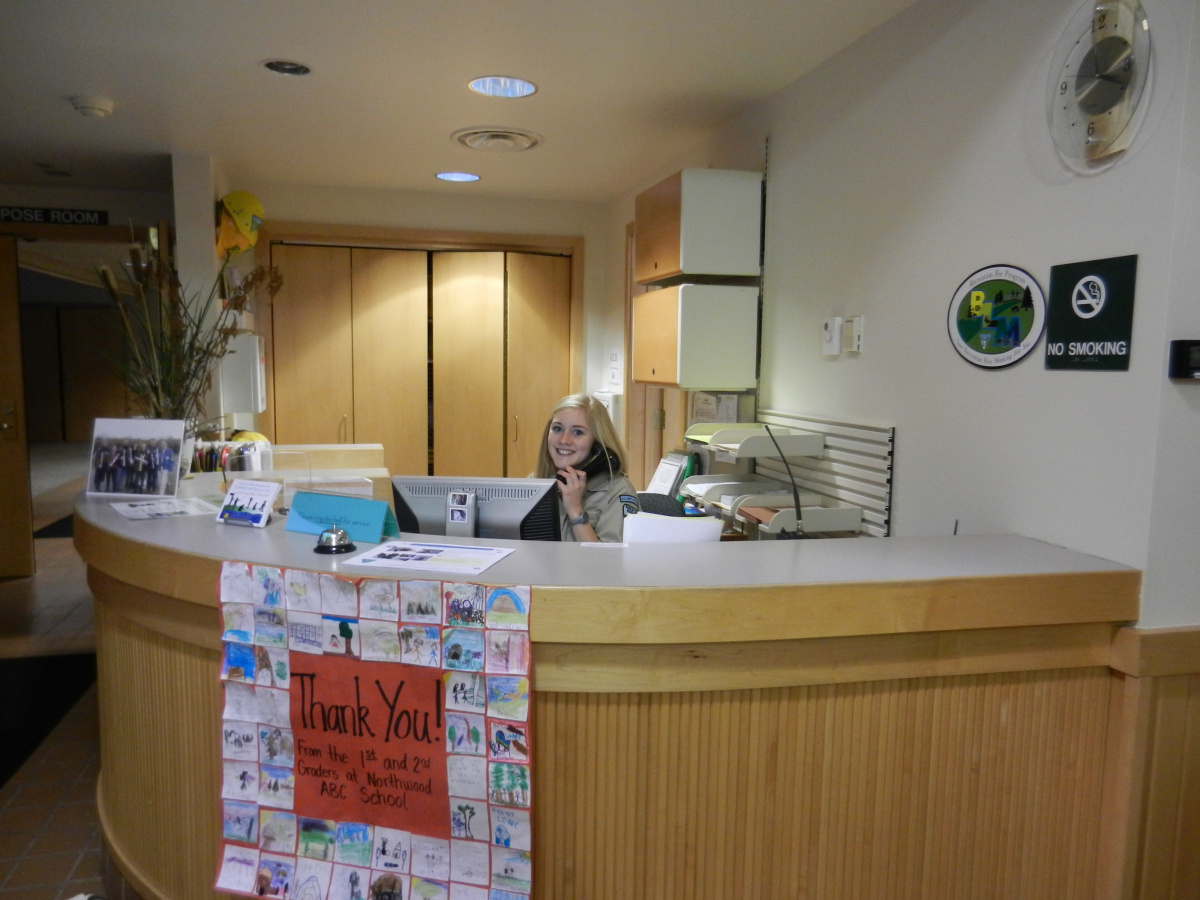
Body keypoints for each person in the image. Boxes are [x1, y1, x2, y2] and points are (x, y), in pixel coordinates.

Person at [534, 394, 640, 542]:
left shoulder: (618, 491)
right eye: (557, 429)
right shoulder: (536, 482)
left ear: (596, 443)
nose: (564, 440)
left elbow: (609, 562)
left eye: (577, 432)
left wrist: (575, 510)